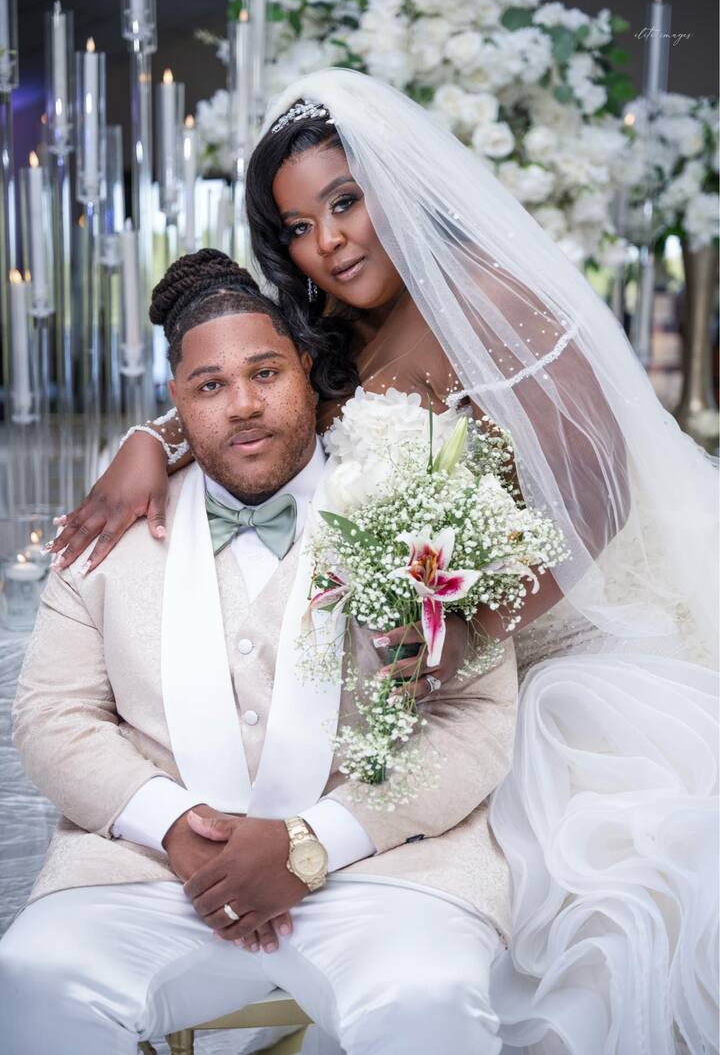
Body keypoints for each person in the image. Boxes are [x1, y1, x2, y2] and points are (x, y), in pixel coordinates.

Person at [45, 68, 718, 1052]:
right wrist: (152, 441)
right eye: (298, 227)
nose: (329, 242)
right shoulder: (337, 328)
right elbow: (259, 405)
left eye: (345, 202)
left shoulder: (493, 301)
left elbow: (596, 496)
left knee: (539, 909)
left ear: (398, 187)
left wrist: (464, 631)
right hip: (394, 664)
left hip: (527, 653)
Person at [0, 256, 519, 1054]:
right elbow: (51, 714)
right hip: (149, 875)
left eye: (265, 373)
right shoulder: (110, 531)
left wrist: (315, 842)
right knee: (36, 973)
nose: (243, 405)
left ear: (306, 370)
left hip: (385, 870)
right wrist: (173, 827)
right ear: (175, 404)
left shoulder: (418, 508)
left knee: (430, 992)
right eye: (209, 386)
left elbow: (476, 717)